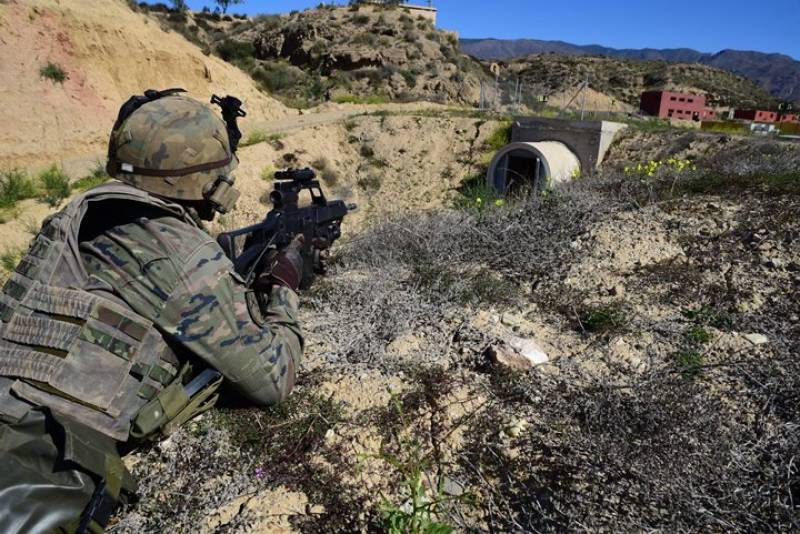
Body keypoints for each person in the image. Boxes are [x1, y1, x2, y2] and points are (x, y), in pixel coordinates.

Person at [0, 89, 305, 533]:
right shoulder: (179, 254)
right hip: (39, 468)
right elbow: (273, 379)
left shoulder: (80, 212)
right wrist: (284, 289)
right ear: (207, 180)